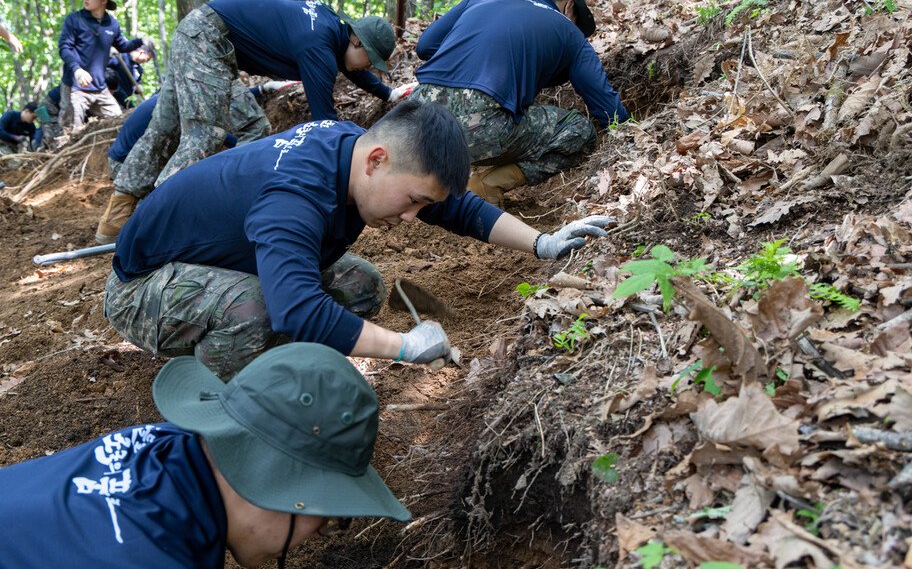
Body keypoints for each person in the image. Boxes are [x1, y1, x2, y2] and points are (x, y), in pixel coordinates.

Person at [104, 99, 610, 380]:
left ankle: (274, 360)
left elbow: (456, 208)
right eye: (412, 200)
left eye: (421, 207)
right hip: (144, 287)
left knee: (360, 285)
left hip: (223, 258)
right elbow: (298, 308)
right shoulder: (294, 195)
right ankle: (221, 406)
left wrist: (544, 243)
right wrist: (405, 347)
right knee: (255, 309)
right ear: (377, 161)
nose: (413, 218)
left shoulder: (355, 148)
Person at [0, 342, 411, 568]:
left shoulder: (163, 447)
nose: (314, 535)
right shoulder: (152, 556)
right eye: (328, 518)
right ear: (280, 483)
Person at [95, 0, 397, 244]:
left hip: (207, 37)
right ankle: (151, 222)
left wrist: (388, 95)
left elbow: (351, 67)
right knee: (205, 133)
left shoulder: (329, 30)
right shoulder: (319, 45)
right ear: (356, 40)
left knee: (217, 126)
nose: (367, 68)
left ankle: (116, 218)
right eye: (369, 60)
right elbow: (324, 126)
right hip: (207, 40)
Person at [409, 0, 629, 206]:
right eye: (576, 21)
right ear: (569, 7)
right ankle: (488, 184)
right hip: (474, 128)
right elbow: (606, 106)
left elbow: (424, 46)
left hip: (413, 117)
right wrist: (628, 136)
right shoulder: (570, 33)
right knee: (581, 131)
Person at [106, 81, 281, 180]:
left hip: (139, 157)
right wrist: (253, 149)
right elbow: (211, 131)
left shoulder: (173, 95)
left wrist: (262, 88)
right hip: (125, 164)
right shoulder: (177, 105)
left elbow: (222, 97)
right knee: (159, 200)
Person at [58, 0, 145, 133]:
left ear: (104, 0)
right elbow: (65, 48)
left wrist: (142, 41)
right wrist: (76, 70)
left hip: (100, 88)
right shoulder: (74, 19)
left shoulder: (112, 24)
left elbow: (123, 46)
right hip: (75, 87)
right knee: (70, 132)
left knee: (120, 124)